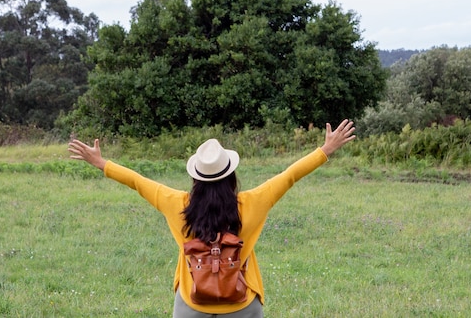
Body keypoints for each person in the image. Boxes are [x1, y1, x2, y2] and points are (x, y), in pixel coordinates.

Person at [68, 120, 356, 317]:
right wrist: (326, 149)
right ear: (231, 174)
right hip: (242, 303)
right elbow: (289, 175)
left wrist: (101, 163)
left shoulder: (177, 204)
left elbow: (138, 181)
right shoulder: (253, 203)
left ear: (196, 178)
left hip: (191, 302)